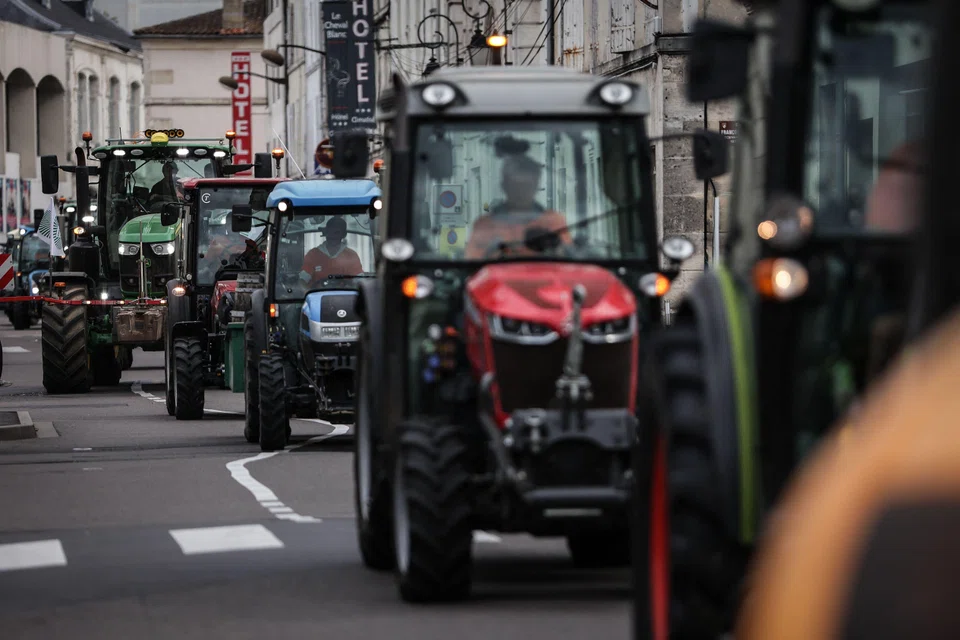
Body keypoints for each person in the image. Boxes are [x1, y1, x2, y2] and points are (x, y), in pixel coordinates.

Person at [464, 154, 572, 259]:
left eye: (527, 186)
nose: (521, 192)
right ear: (504, 186)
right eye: (516, 186)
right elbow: (473, 262)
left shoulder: (553, 222)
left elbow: (566, 261)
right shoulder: (484, 225)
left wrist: (554, 248)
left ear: (536, 186)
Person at [299, 216, 363, 284]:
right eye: (330, 232)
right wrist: (306, 289)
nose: (332, 236)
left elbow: (360, 281)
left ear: (344, 234)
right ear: (326, 232)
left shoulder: (351, 256)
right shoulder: (313, 255)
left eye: (336, 232)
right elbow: (302, 281)